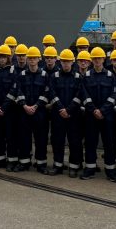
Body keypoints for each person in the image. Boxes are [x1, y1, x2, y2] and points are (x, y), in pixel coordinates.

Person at [81, 47, 116, 181]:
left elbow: (113, 96)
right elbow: (84, 95)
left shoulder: (110, 76)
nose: (97, 60)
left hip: (107, 115)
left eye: (99, 58)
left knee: (109, 143)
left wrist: (102, 110)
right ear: (92, 60)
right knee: (91, 142)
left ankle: (110, 170)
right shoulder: (87, 76)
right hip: (91, 115)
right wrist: (94, 110)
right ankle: (89, 168)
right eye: (95, 58)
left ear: (104, 59)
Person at [14, 46, 50, 173]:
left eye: (34, 58)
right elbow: (18, 91)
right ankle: (24, 163)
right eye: (30, 58)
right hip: (24, 112)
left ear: (39, 59)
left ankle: (41, 164)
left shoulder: (44, 75)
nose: (32, 60)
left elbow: (46, 93)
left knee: (41, 139)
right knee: (24, 138)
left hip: (39, 112)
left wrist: (35, 106)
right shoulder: (22, 75)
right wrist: (24, 105)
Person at [48, 49, 83, 178]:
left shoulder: (78, 77)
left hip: (73, 115)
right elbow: (52, 93)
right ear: (60, 62)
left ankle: (73, 167)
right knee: (58, 140)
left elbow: (79, 95)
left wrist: (69, 110)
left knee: (74, 141)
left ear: (72, 62)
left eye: (68, 61)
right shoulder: (54, 76)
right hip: (58, 114)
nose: (66, 64)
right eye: (63, 61)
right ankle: (58, 165)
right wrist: (61, 109)